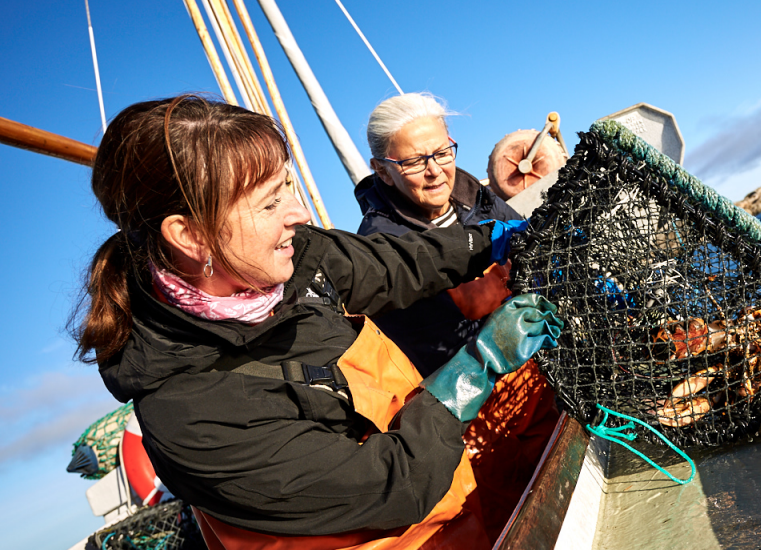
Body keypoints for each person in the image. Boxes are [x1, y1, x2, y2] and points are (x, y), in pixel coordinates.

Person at [74, 95, 560, 549]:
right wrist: (475, 368)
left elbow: (403, 264)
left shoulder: (300, 260)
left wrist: (494, 240)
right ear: (190, 236)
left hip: (460, 503)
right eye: (269, 203)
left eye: (287, 187)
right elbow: (395, 484)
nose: (299, 213)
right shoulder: (191, 418)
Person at [354, 93, 560, 541]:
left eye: (442, 152)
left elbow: (531, 259)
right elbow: (432, 339)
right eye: (414, 161)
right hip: (477, 412)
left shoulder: (473, 196)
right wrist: (477, 295)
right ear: (382, 169)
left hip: (542, 377)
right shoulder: (378, 249)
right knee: (527, 519)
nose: (435, 170)